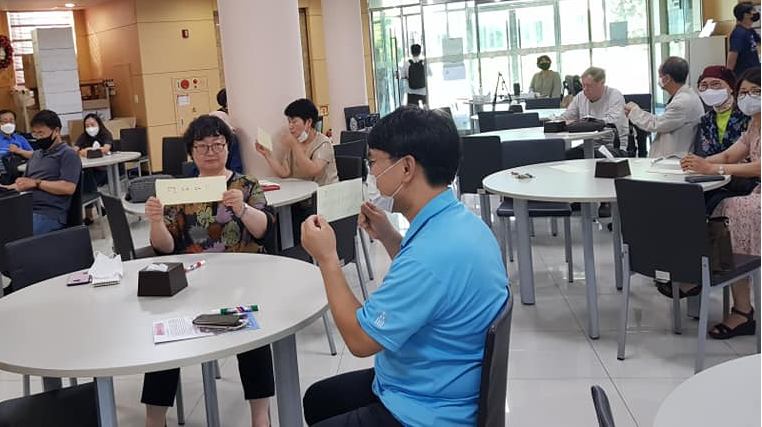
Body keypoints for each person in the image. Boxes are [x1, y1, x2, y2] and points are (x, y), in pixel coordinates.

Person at [300, 106, 508, 426]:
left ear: (406, 167)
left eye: (374, 162)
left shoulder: (432, 254)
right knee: (320, 398)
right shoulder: (459, 223)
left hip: (427, 410)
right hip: (436, 380)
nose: (371, 173)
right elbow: (432, 287)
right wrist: (388, 236)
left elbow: (359, 340)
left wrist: (327, 258)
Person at [142, 115, 273, 427]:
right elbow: (165, 247)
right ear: (191, 152)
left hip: (243, 282)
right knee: (165, 332)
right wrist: (157, 222)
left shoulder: (246, 185)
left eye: (218, 144)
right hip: (193, 284)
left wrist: (242, 208)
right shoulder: (179, 191)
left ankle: (260, 415)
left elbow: (263, 230)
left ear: (228, 147)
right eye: (202, 146)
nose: (211, 151)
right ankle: (154, 418)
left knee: (252, 333)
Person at [680, 67, 761, 339]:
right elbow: (729, 155)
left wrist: (713, 169)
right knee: (714, 207)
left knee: (731, 211)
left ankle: (742, 310)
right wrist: (697, 163)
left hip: (754, 191)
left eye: (756, 92)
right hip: (755, 192)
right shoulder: (754, 124)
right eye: (744, 92)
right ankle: (700, 273)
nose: (748, 97)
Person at [4, 110, 81, 235]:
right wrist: (2, 188)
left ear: (56, 131)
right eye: (34, 134)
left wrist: (37, 183)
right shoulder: (36, 155)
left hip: (49, 213)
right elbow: (23, 184)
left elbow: (68, 187)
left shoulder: (67, 154)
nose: (38, 138)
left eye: (41, 133)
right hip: (26, 208)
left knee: (14, 234)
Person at [625, 57, 704, 159]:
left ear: (667, 78)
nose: (659, 79)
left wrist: (634, 111)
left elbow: (656, 124)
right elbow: (662, 120)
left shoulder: (682, 102)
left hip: (675, 160)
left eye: (660, 75)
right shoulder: (684, 96)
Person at [254, 98, 338, 187]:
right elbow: (285, 172)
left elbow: (312, 170)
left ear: (308, 122)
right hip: (304, 192)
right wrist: (267, 155)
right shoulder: (295, 142)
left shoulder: (323, 143)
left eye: (294, 122)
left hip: (324, 192)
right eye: (289, 122)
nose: (290, 126)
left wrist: (294, 145)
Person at [559, 67, 629, 158]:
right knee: (563, 156)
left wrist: (583, 123)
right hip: (589, 144)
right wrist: (558, 122)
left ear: (602, 83)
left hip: (614, 145)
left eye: (589, 86)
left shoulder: (614, 96)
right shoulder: (580, 97)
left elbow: (611, 122)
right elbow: (566, 117)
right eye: (583, 85)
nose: (585, 89)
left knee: (593, 158)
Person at [695, 65, 750, 157]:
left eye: (715, 84)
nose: (709, 90)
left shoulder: (746, 115)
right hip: (713, 165)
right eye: (704, 85)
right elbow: (706, 151)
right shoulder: (706, 119)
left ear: (731, 87)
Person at [0, 109, 33, 184]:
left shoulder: (20, 138)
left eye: (11, 121)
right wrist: (0, 177)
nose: (9, 124)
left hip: (24, 176)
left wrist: (19, 151)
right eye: (5, 122)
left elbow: (33, 155)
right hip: (4, 177)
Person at [72, 113, 113, 199]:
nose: (90, 128)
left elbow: (106, 149)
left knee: (85, 180)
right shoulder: (83, 136)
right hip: (90, 168)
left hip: (105, 170)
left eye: (92, 125)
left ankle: (92, 200)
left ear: (99, 124)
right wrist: (88, 151)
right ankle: (91, 201)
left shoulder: (106, 134)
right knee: (82, 174)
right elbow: (75, 150)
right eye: (87, 126)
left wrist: (87, 150)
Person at [726, 1, 761, 78]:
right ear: (746, 15)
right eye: (753, 10)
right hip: (744, 75)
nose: (756, 12)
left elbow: (759, 41)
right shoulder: (738, 33)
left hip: (754, 72)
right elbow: (732, 55)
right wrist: (729, 76)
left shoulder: (750, 30)